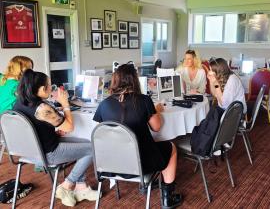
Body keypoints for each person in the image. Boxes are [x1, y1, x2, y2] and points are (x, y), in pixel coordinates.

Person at [93, 64, 182, 209]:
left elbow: (102, 134)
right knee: (171, 147)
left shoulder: (104, 104)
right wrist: (156, 110)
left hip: (110, 163)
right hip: (141, 163)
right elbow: (157, 127)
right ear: (134, 80)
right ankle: (167, 197)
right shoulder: (143, 100)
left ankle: (148, 184)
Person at [13, 70, 98, 207]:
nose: (52, 89)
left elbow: (33, 127)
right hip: (48, 153)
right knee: (92, 149)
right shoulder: (42, 108)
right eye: (50, 86)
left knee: (86, 144)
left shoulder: (18, 103)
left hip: (30, 151)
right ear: (41, 89)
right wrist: (65, 104)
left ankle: (81, 187)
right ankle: (67, 185)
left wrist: (51, 131)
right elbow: (69, 127)